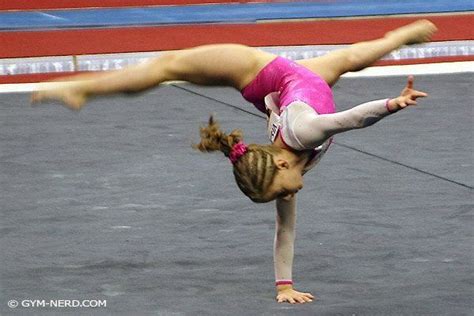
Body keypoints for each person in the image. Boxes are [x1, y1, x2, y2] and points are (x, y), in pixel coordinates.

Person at [31, 19, 437, 304]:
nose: (292, 194)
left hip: (258, 72)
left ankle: (81, 90)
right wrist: (284, 286)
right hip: (300, 83)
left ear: (280, 165)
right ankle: (399, 36)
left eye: (284, 191)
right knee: (349, 60)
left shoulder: (305, 136)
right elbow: (285, 229)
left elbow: (348, 119)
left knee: (167, 66)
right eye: (284, 194)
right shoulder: (286, 168)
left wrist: (392, 104)